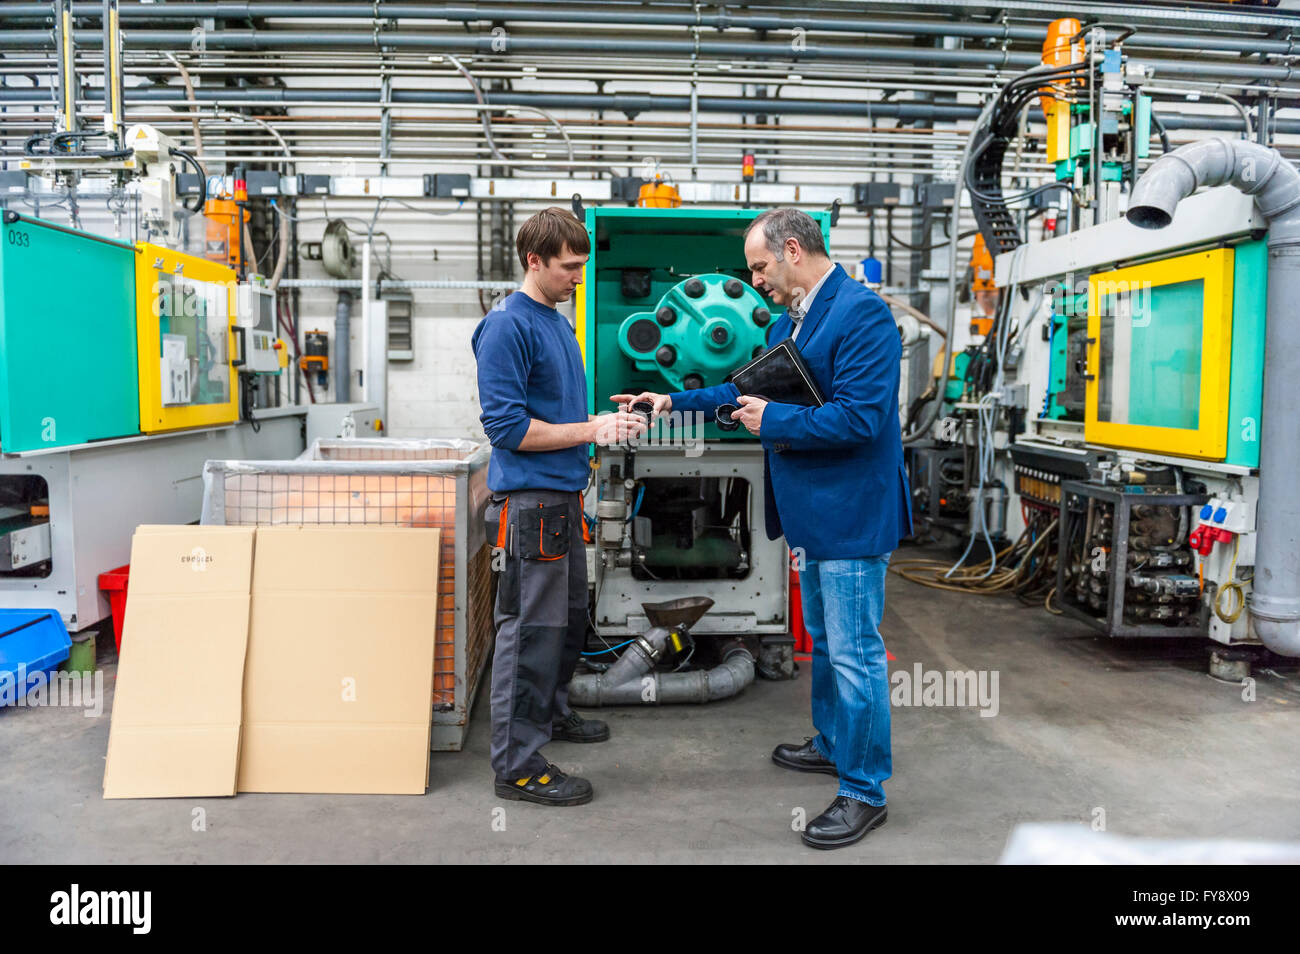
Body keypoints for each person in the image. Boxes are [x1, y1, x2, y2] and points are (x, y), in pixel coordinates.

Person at [612, 208, 911, 848]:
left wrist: (772, 420)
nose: (755, 279)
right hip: (814, 512)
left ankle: (864, 791)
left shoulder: (863, 315)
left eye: (759, 266)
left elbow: (860, 420)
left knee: (856, 654)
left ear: (793, 250)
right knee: (829, 643)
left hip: (853, 514)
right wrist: (669, 402)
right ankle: (834, 744)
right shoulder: (791, 321)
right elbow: (741, 390)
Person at [472, 207, 646, 806]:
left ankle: (550, 715)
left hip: (564, 499)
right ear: (534, 260)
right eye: (569, 268)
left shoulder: (554, 321)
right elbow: (508, 430)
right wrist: (592, 430)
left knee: (569, 620)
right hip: (531, 506)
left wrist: (602, 424)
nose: (578, 278)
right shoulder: (507, 326)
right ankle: (516, 766)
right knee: (529, 634)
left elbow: (562, 415)